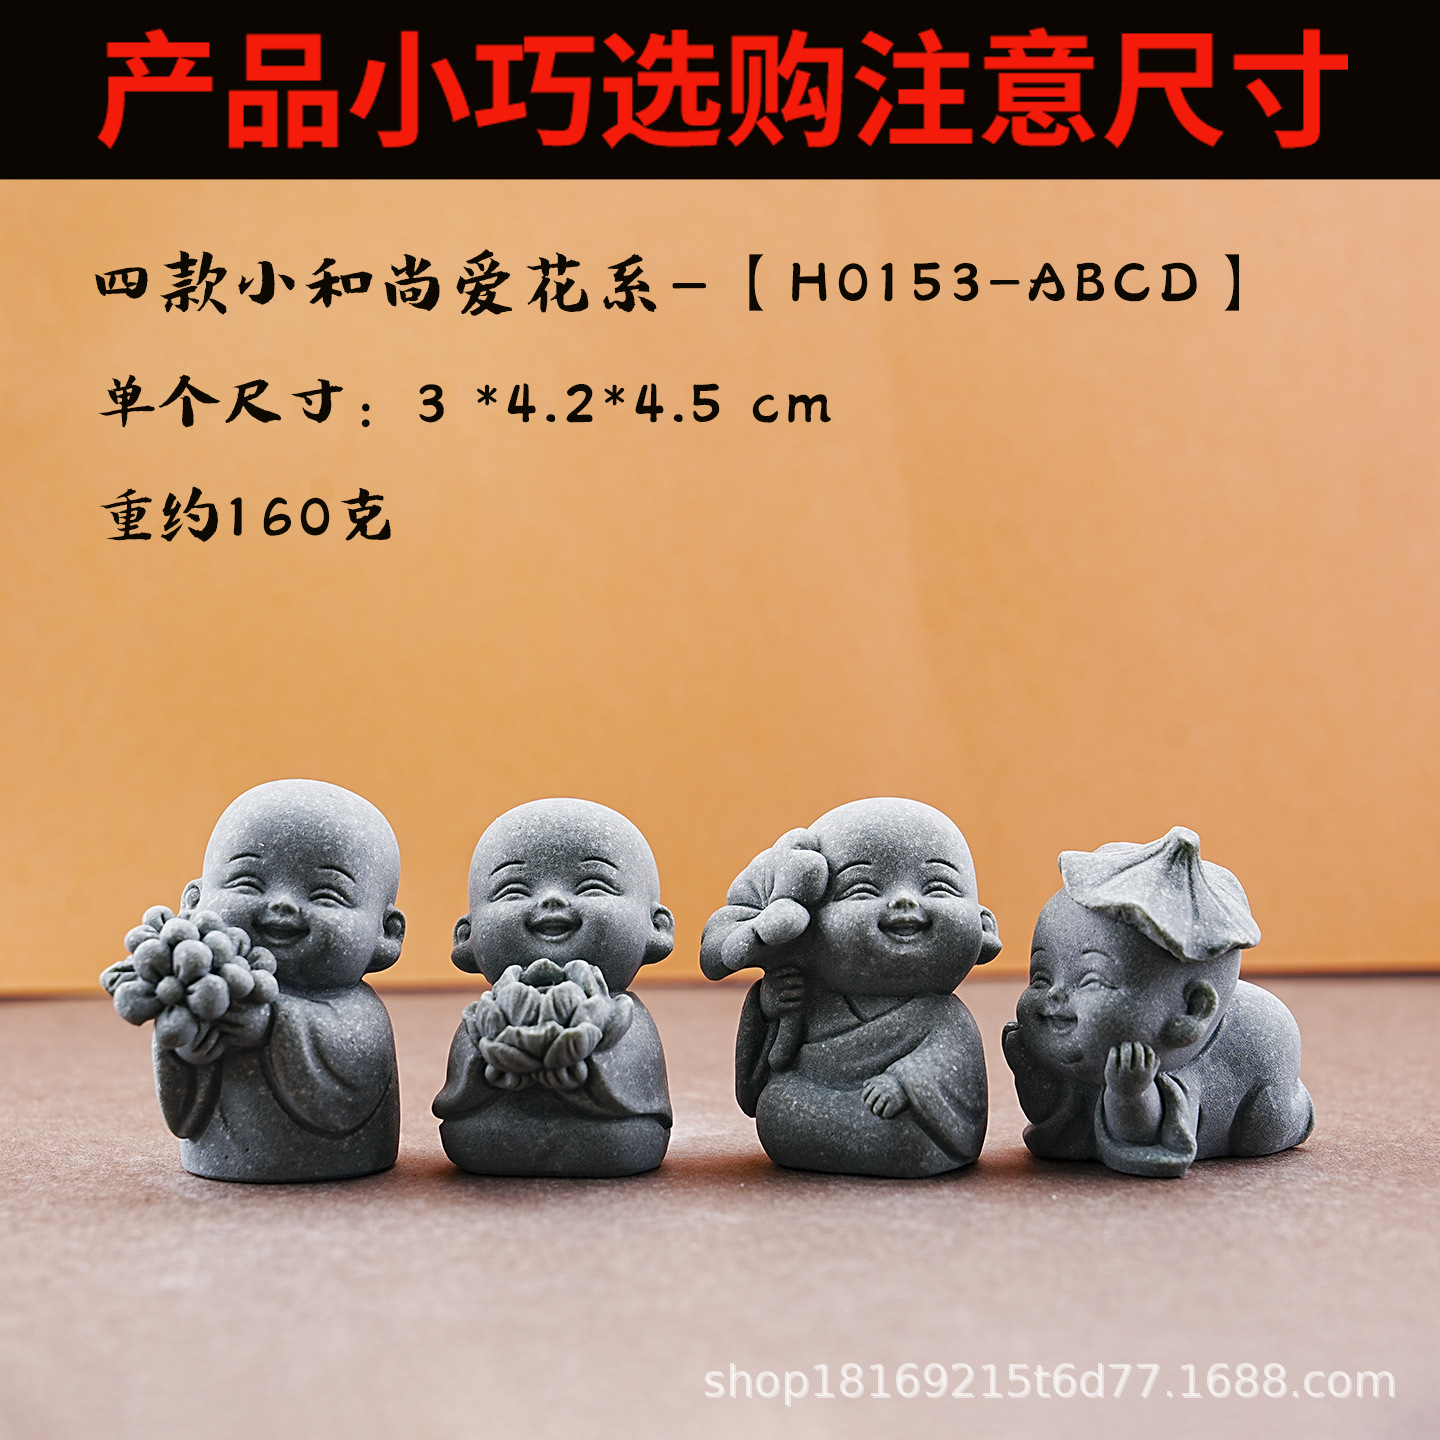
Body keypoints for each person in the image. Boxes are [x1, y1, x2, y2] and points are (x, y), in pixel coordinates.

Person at [700, 798, 1001, 1177]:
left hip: (906, 1116)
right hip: (822, 1101)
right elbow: (769, 1068)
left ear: (984, 925)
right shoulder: (815, 995)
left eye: (937, 888)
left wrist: (902, 1083)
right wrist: (772, 1005)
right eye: (863, 890)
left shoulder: (943, 1015)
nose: (904, 900)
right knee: (778, 1102)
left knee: (906, 1139)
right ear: (809, 922)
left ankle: (891, 1143)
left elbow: (951, 1067)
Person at [1004, 826, 1314, 1177]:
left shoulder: (1156, 1074)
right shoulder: (1067, 1047)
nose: (1054, 996)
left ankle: (1294, 1109)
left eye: (1092, 981)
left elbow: (1142, 1135)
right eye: (1041, 978)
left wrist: (1131, 1093)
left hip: (1256, 1090)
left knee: (1264, 1128)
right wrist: (1031, 1070)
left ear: (1190, 1013)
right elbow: (1050, 1113)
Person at [146, 779, 404, 1182]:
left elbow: (356, 1083)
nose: (282, 904)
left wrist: (273, 1023)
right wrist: (186, 1047)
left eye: (325, 894)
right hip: (220, 1156)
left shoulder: (358, 1010)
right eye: (248, 883)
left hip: (347, 1158)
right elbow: (181, 1106)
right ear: (193, 902)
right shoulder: (199, 990)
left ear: (386, 933)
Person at [433, 798, 674, 1177]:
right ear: (466, 936)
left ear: (656, 927)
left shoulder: (624, 1016)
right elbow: (458, 1100)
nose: (551, 900)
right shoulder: (483, 1019)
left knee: (629, 1136)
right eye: (514, 891)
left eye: (592, 887)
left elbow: (641, 1099)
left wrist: (577, 1064)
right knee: (470, 1132)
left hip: (614, 1134)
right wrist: (493, 1068)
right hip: (486, 1134)